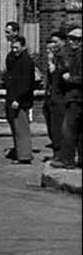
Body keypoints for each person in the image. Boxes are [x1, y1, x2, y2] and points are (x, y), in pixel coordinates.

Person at [50, 26, 82, 170]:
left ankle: (67, 160)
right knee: (77, 131)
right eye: (71, 39)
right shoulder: (74, 55)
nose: (72, 42)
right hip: (74, 97)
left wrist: (69, 79)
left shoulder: (80, 55)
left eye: (76, 40)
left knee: (68, 129)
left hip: (76, 98)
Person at [3, 36, 35, 165]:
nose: (14, 50)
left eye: (17, 47)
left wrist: (18, 99)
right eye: (12, 47)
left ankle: (24, 155)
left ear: (23, 47)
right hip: (12, 97)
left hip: (20, 100)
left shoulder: (26, 61)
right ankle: (20, 152)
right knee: (16, 128)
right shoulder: (14, 59)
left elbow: (26, 83)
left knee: (21, 128)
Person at [43, 31, 67, 161]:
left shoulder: (63, 56)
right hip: (51, 96)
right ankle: (57, 153)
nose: (53, 44)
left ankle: (60, 155)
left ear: (63, 42)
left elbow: (61, 76)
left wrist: (53, 65)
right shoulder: (55, 56)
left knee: (58, 127)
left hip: (59, 97)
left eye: (55, 41)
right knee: (53, 126)